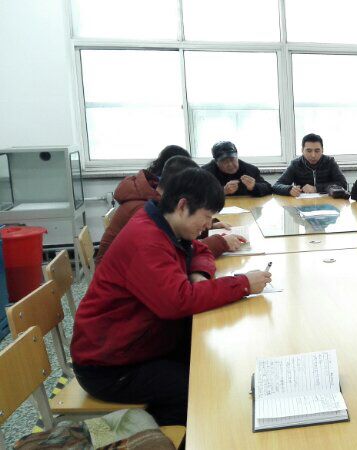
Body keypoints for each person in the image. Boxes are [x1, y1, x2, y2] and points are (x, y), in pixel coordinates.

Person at [71, 168, 271, 426]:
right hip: (110, 366)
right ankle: (162, 435)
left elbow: (199, 250)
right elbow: (178, 302)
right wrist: (243, 284)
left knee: (214, 361)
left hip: (140, 341)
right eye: (206, 217)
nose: (208, 226)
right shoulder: (146, 239)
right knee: (199, 386)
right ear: (182, 206)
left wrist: (198, 275)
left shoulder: (165, 225)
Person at [96, 153, 241, 266]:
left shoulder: (153, 201)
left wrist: (209, 226)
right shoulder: (143, 211)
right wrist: (218, 243)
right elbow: (173, 253)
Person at [272, 133, 348, 197]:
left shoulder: (330, 162)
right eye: (309, 151)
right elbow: (276, 186)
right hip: (303, 204)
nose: (313, 155)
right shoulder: (296, 164)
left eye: (317, 151)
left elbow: (343, 184)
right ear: (302, 150)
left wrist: (316, 188)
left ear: (322, 150)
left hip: (327, 203)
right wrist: (289, 189)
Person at [201, 141, 272, 196]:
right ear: (216, 162)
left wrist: (254, 187)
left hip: (245, 207)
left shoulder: (250, 169)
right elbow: (197, 194)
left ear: (237, 157)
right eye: (224, 162)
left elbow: (268, 188)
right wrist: (222, 191)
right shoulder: (206, 172)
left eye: (232, 159)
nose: (230, 164)